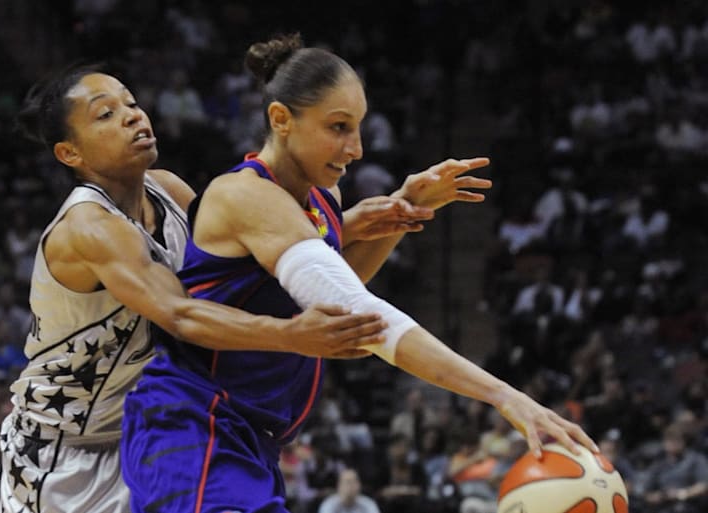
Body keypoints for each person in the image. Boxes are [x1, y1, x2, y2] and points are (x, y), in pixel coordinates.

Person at [120, 33, 598, 513]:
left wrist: (403, 213)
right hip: (193, 422)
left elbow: (337, 298)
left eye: (359, 127)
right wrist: (504, 395)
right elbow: (358, 309)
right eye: (339, 127)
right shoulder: (245, 195)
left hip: (248, 437)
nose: (357, 148)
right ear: (281, 119)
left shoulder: (323, 197)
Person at [0, 62, 438, 513]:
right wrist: (289, 334)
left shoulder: (168, 188)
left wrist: (351, 225)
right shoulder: (88, 226)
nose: (132, 116)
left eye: (130, 103)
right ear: (70, 153)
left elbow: (240, 268)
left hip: (149, 432)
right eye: (106, 114)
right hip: (64, 451)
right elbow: (181, 314)